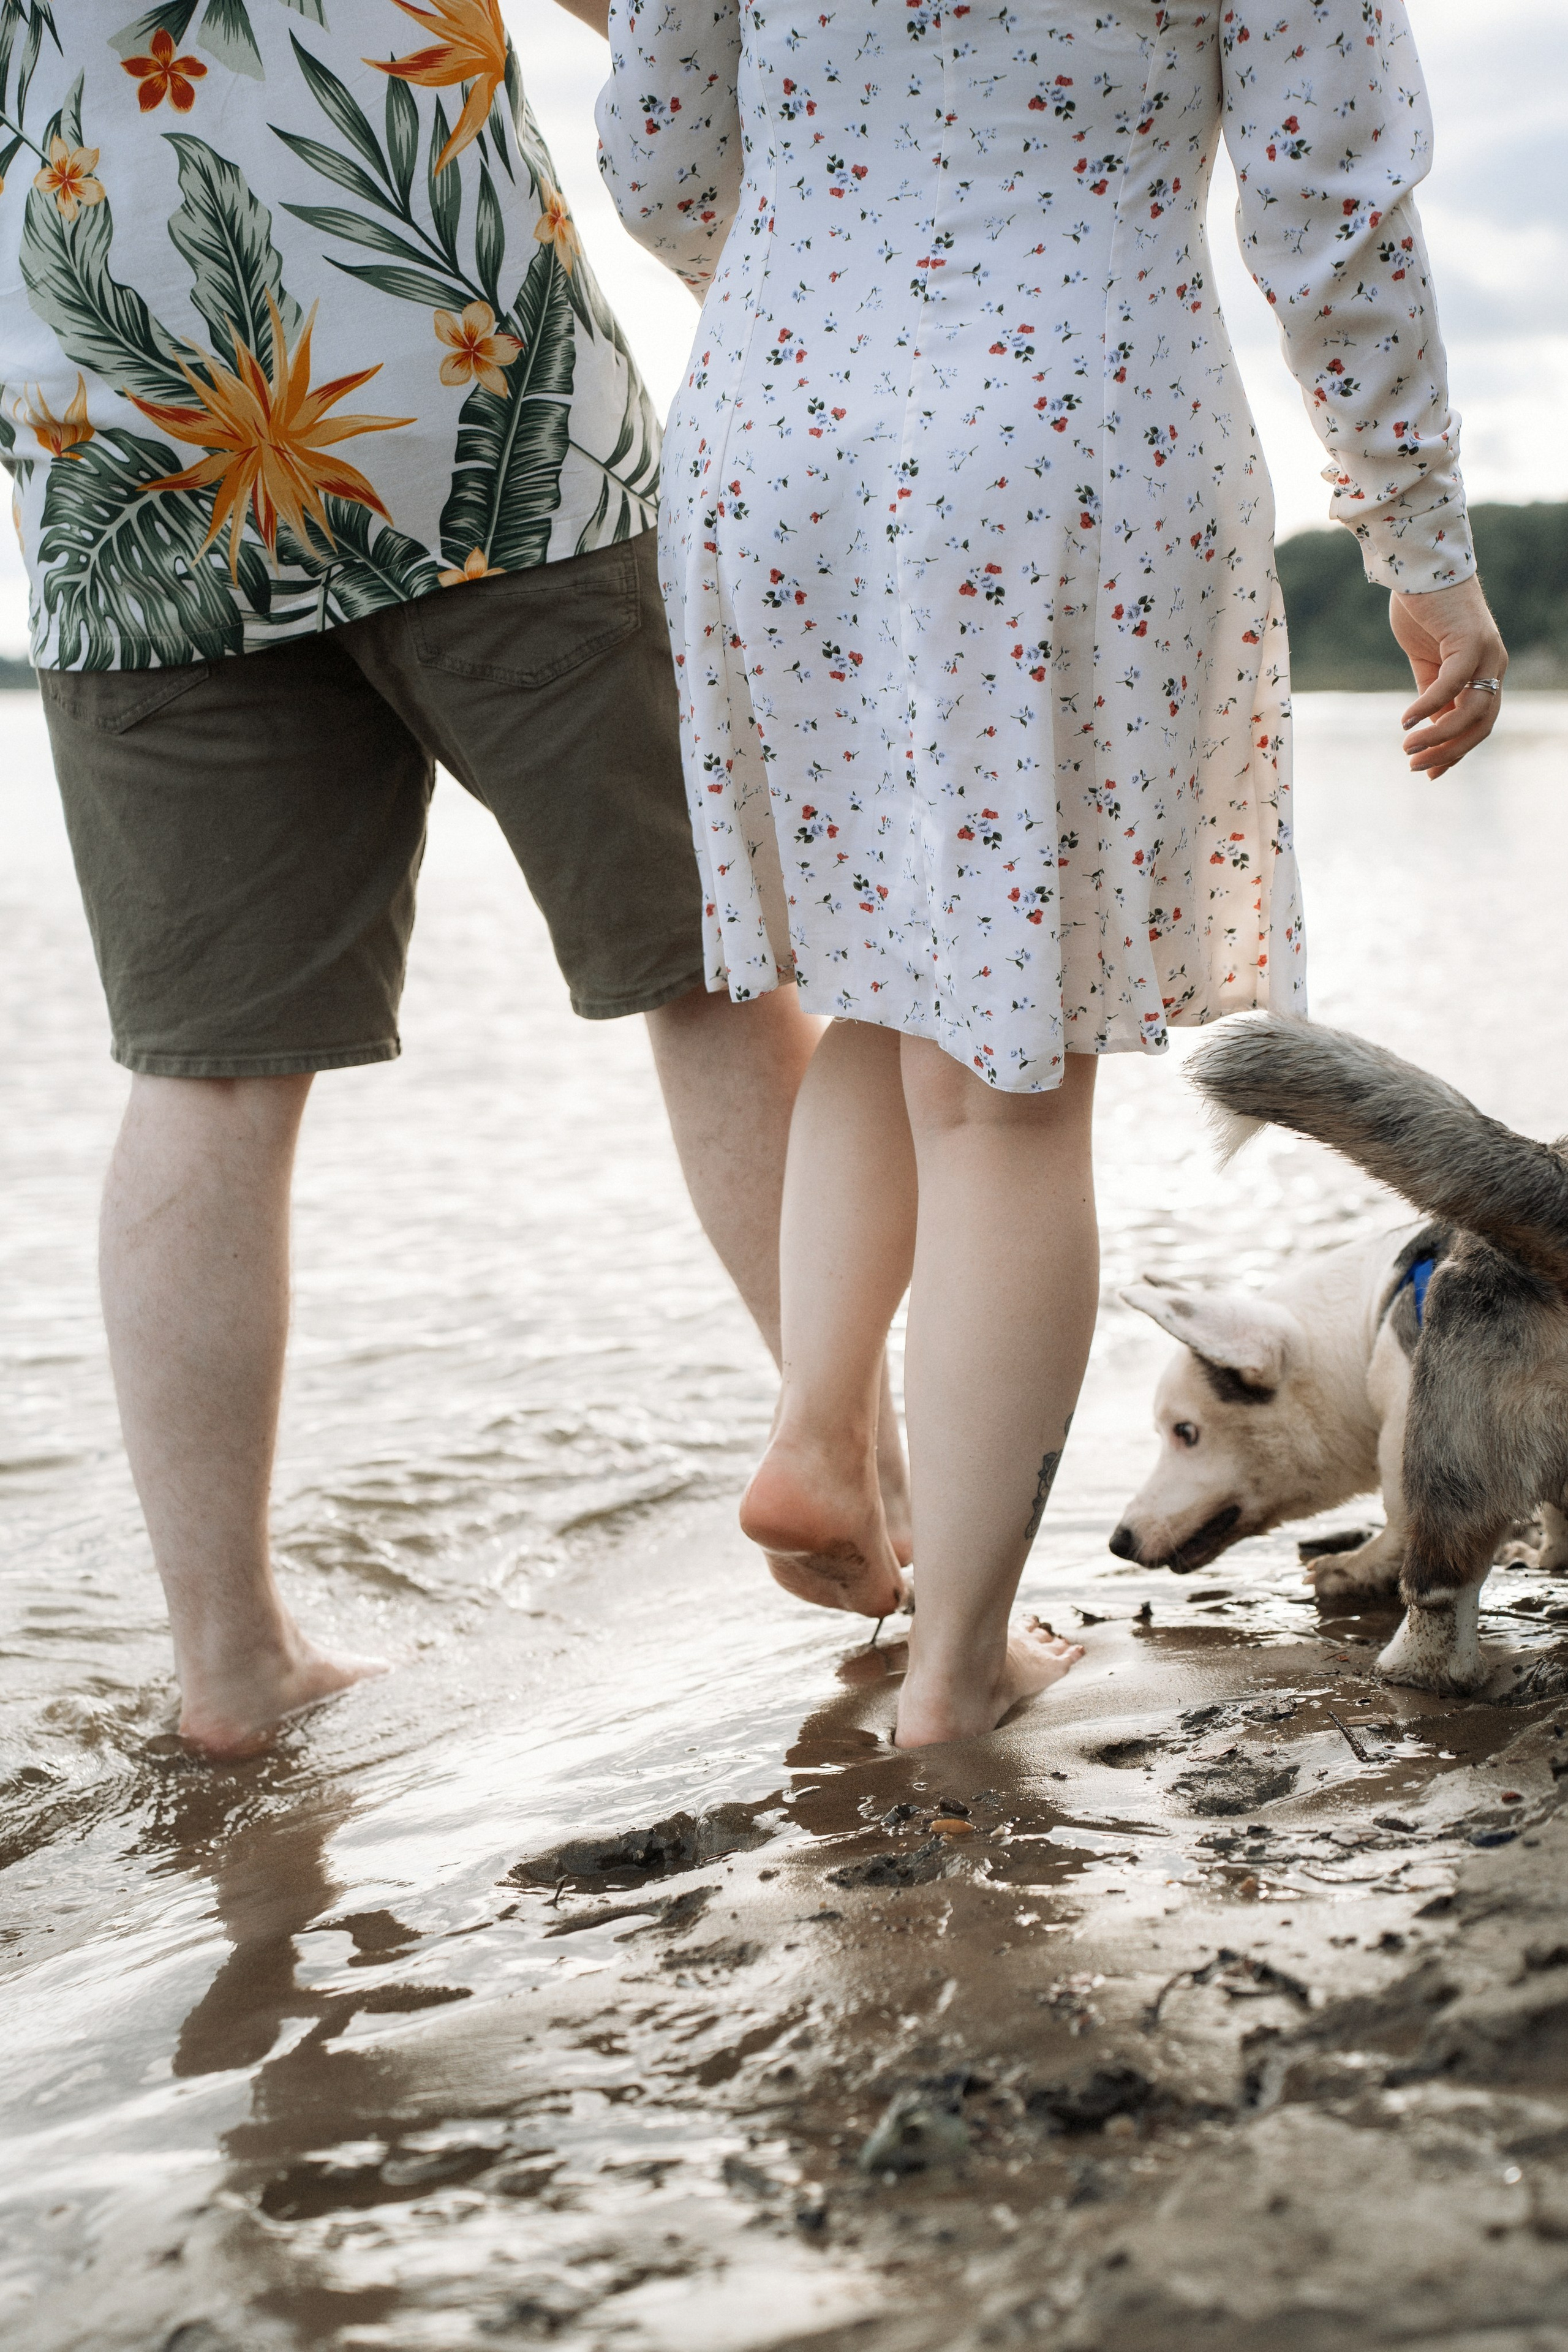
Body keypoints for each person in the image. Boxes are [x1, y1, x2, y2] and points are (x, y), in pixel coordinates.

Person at [0, 0, 908, 1758]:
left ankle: (231, 1669)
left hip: (130, 452)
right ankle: (891, 1527)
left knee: (203, 1072)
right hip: (481, 402)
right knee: (711, 973)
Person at [597, 0, 1509, 1746]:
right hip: (1074, 433)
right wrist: (1416, 535)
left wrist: (841, 286)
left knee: (885, 986)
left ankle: (815, 1431)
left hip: (778, 426)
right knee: (1012, 1091)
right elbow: (1329, 198)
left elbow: (657, 154)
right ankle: (954, 1676)